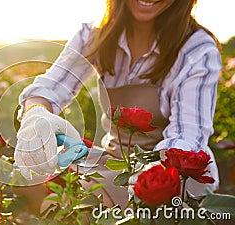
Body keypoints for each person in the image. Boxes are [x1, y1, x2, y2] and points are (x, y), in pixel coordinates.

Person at [13, 0, 221, 214]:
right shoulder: (95, 35)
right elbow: (51, 88)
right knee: (55, 206)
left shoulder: (196, 49)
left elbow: (188, 135)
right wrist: (36, 114)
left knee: (83, 210)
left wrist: (146, 178)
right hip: (115, 162)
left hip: (174, 174)